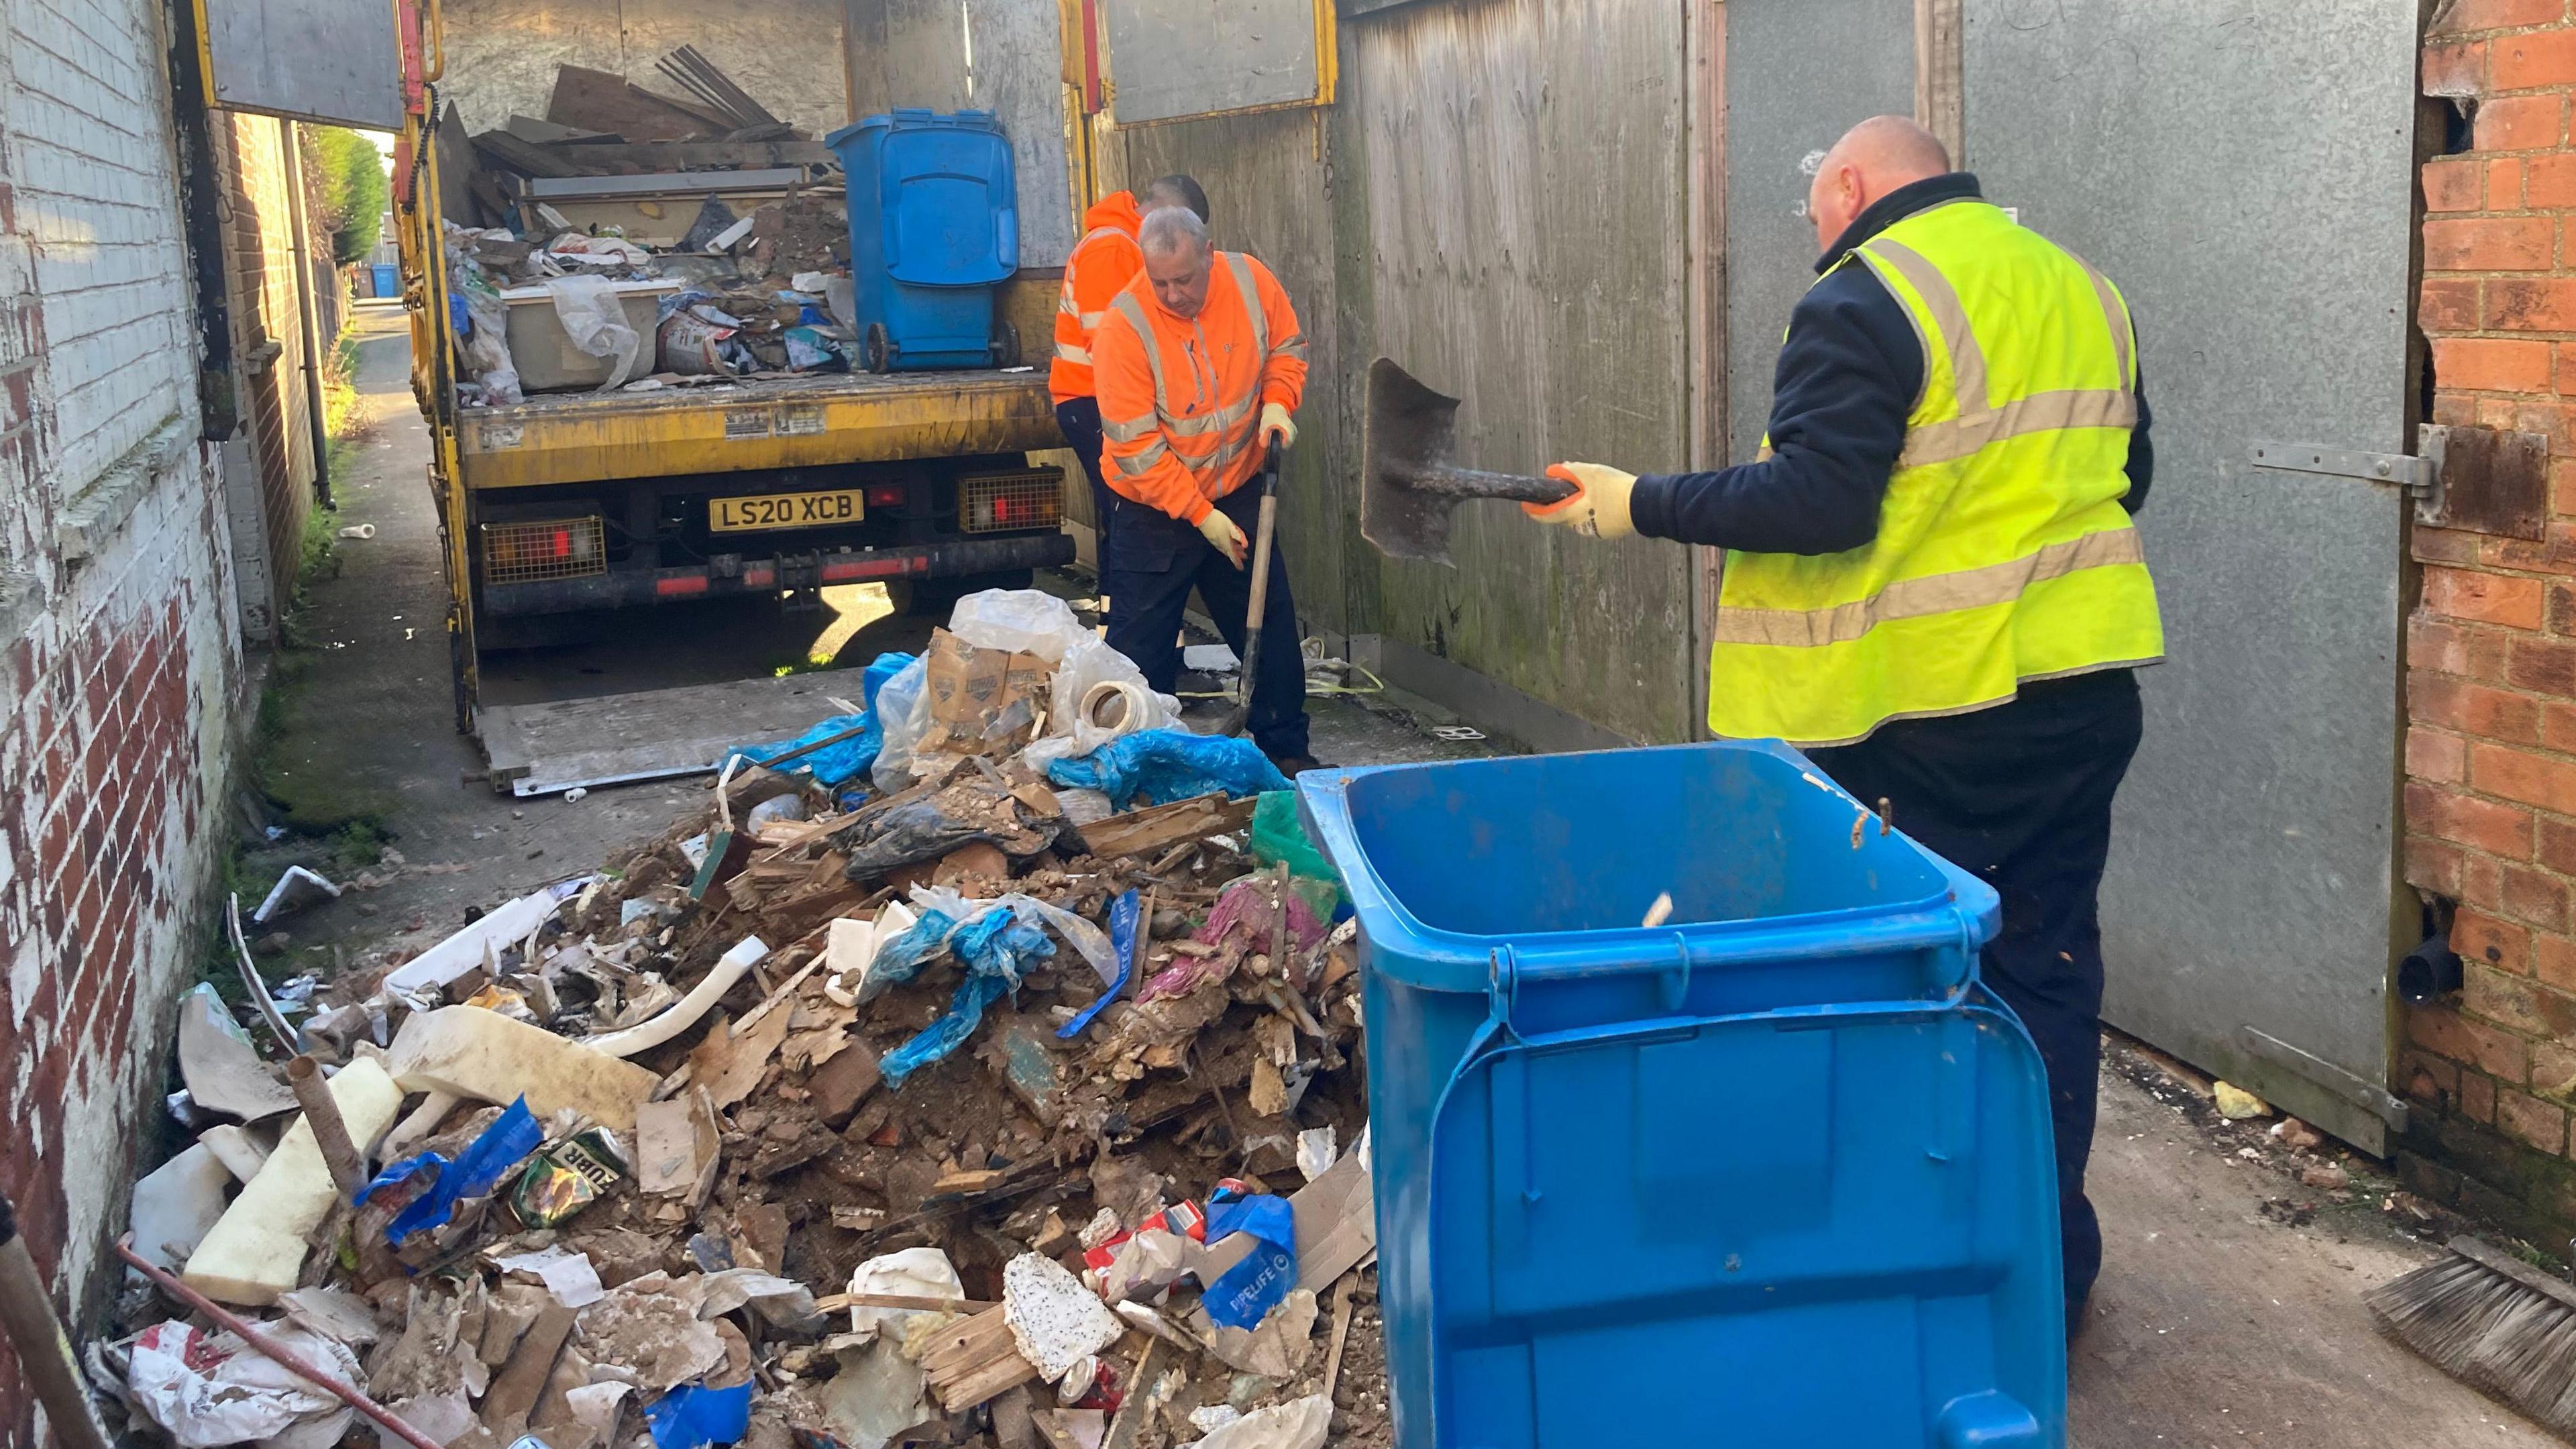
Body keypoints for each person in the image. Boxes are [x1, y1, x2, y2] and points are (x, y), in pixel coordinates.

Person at [1524, 115, 2163, 1335]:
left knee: (1902, 990)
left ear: (1856, 184)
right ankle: (2041, 1267)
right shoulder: (2084, 287)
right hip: (2079, 703)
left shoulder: (1867, 294)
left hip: (1926, 717)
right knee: (2046, 970)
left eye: (1815, 204)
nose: (1813, 231)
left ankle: (1903, 1268)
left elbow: (1822, 497)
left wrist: (1638, 503)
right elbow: (2125, 479)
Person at [1089, 205, 1318, 773]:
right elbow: (1137, 452)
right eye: (1159, 281)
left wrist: (1276, 403)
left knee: (1268, 627)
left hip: (1238, 489)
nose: (1171, 294)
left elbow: (1286, 348)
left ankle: (1285, 751)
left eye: (1184, 279)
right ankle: (1137, 761)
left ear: (1209, 254)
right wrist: (1199, 515)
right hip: (1154, 510)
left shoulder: (1250, 282)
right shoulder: (1125, 328)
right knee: (1139, 653)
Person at [1052, 176, 1212, 535]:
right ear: (1170, 217)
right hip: (1093, 400)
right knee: (1128, 514)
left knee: (1122, 513)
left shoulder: (1122, 245)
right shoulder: (1113, 248)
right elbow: (1110, 346)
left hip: (1097, 400)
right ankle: (1118, 592)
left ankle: (1116, 592)